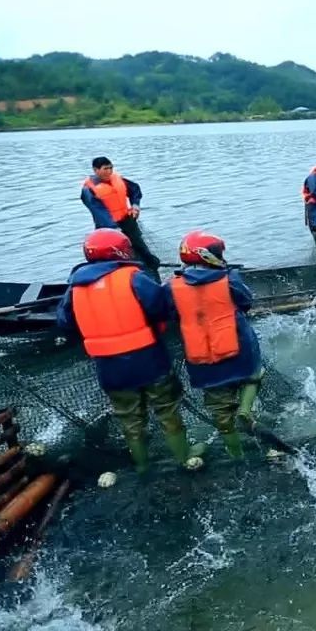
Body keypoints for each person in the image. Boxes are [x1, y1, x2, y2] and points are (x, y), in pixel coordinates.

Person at [56, 229, 204, 474]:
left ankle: (142, 466)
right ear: (121, 251)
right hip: (149, 360)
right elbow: (160, 306)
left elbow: (65, 322)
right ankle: (183, 456)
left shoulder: (75, 287)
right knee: (167, 410)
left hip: (110, 368)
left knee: (129, 418)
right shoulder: (134, 277)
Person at [163, 230, 262, 460]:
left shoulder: (171, 287)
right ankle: (245, 411)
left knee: (220, 411)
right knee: (255, 374)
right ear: (208, 256)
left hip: (202, 361)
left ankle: (236, 454)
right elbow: (245, 301)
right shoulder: (230, 278)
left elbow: (169, 313)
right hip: (239, 351)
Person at [80, 156, 162, 282]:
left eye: (111, 168)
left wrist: (135, 206)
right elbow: (98, 211)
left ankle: (153, 279)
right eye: (105, 169)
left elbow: (135, 190)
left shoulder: (118, 180)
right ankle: (127, 282)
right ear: (96, 170)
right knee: (122, 256)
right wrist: (114, 229)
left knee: (142, 250)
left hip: (128, 222)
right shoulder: (89, 189)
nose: (109, 171)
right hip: (108, 229)